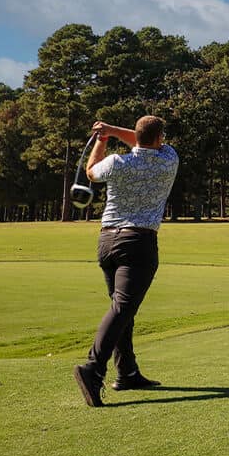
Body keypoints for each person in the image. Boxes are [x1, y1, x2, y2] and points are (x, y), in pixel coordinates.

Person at [72, 115, 178, 408]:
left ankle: (127, 372)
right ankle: (93, 369)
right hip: (138, 243)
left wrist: (103, 138)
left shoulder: (118, 163)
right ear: (160, 139)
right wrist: (113, 132)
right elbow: (142, 140)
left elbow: (91, 172)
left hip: (107, 242)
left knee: (122, 309)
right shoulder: (168, 158)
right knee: (122, 308)